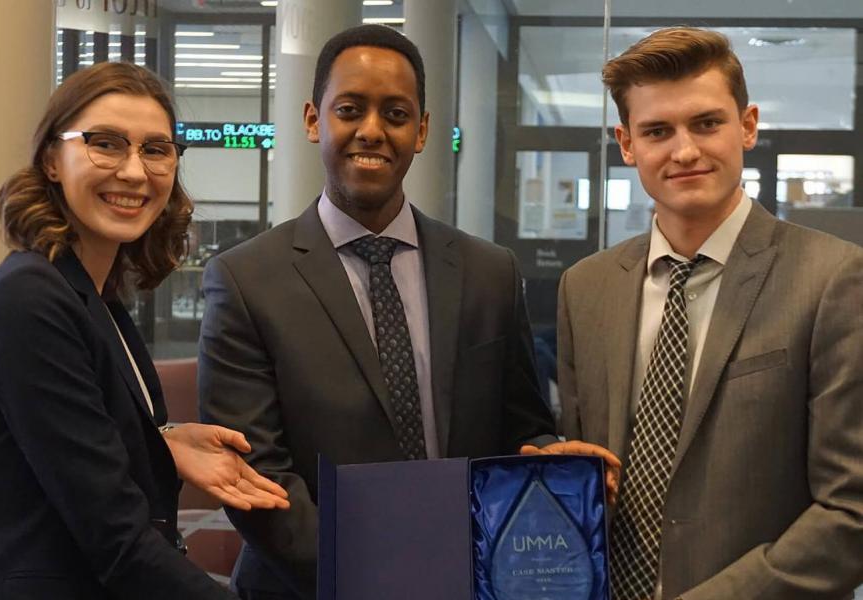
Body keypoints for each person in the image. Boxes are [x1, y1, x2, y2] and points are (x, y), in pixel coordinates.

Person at [198, 24, 619, 600]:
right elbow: (257, 479)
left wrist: (553, 461)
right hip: (315, 586)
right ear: (313, 119)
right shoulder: (246, 280)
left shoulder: (490, 272)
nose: (372, 130)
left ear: (420, 131)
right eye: (350, 109)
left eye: (395, 113)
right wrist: (378, 580)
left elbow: (521, 430)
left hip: (472, 583)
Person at [0, 62, 289, 600]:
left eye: (156, 149)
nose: (135, 172)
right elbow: (112, 534)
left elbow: (64, 447)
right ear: (51, 158)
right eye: (106, 144)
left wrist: (156, 440)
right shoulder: (28, 298)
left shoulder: (93, 295)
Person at [557, 27, 863, 600]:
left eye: (706, 123)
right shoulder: (586, 288)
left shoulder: (834, 279)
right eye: (657, 131)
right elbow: (594, 476)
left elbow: (852, 511)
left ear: (747, 125)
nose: (685, 151)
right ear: (626, 144)